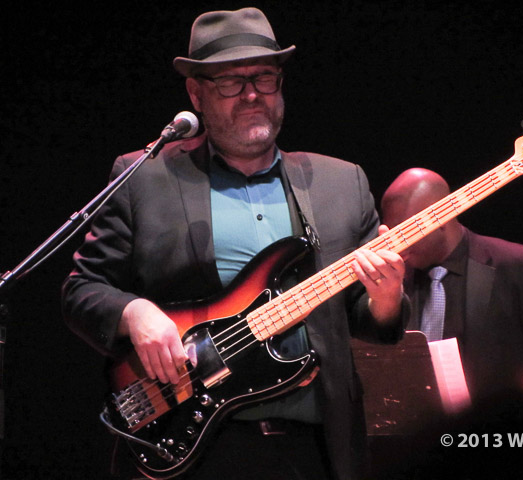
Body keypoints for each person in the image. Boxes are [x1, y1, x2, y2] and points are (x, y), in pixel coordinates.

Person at [61, 8, 406, 480]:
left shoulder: (341, 182)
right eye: (230, 82)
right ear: (195, 93)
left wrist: (386, 296)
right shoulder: (145, 178)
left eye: (264, 77)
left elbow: (370, 320)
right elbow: (82, 289)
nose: (251, 94)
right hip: (195, 446)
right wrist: (134, 313)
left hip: (315, 450)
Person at [380, 168, 523, 404]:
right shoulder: (392, 279)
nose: (398, 246)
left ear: (441, 218)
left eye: (406, 232)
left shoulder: (518, 264)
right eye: (391, 235)